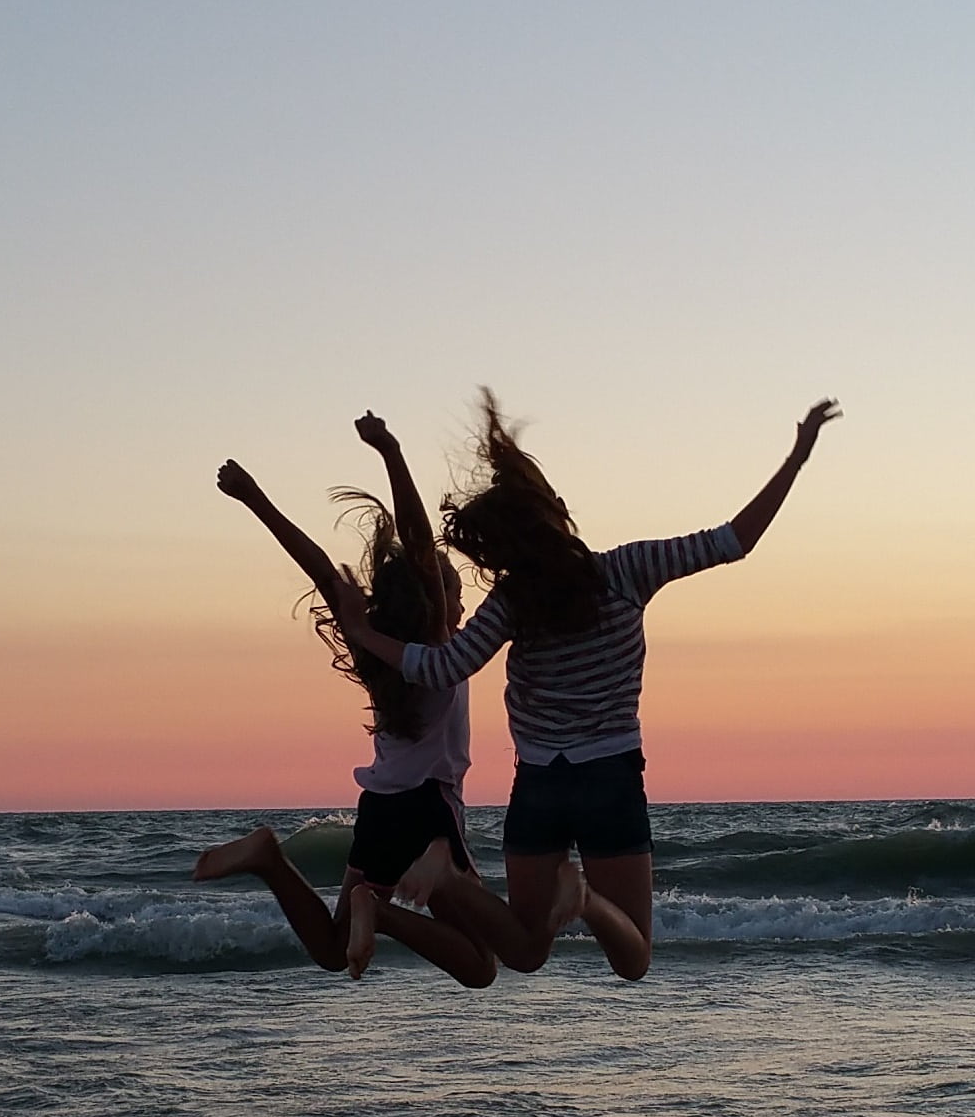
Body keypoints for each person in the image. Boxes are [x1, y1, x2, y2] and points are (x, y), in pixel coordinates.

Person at [333, 393, 839, 982]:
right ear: (556, 517)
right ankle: (588, 902)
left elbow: (443, 666)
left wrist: (364, 632)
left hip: (540, 785)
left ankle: (445, 876)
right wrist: (796, 458)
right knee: (635, 959)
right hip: (608, 778)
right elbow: (733, 540)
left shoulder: (512, 601)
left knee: (524, 953)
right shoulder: (627, 570)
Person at [193, 416, 495, 988]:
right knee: (481, 965)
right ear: (436, 602)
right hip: (430, 810)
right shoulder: (434, 650)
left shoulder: (375, 654)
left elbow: (320, 571)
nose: (459, 600)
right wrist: (392, 452)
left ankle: (269, 859)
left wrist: (255, 499)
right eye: (453, 590)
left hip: (380, 808)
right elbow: (417, 541)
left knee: (334, 951)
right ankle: (379, 914)